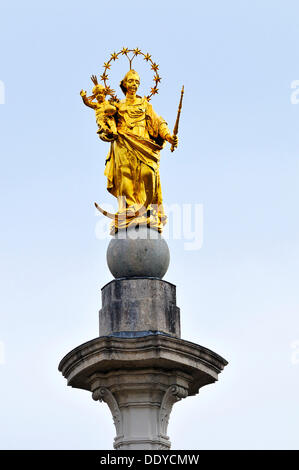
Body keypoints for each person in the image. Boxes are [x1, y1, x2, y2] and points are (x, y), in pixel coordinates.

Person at [102, 69, 178, 233]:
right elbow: (105, 122)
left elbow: (158, 122)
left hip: (143, 143)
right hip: (123, 142)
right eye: (130, 81)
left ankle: (146, 209)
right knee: (125, 175)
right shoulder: (117, 106)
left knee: (147, 173)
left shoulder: (145, 104)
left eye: (137, 81)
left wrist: (168, 136)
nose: (134, 84)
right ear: (124, 84)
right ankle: (128, 209)